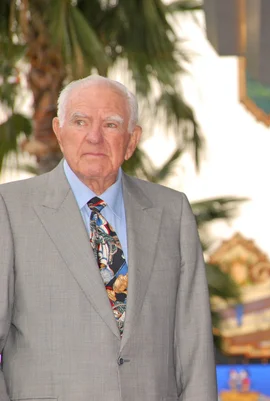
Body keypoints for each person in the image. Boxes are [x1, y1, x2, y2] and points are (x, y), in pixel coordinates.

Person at [0, 76, 217, 400]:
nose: (94, 137)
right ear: (59, 131)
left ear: (132, 140)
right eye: (80, 121)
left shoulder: (172, 212)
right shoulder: (10, 209)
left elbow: (195, 345)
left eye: (111, 124)